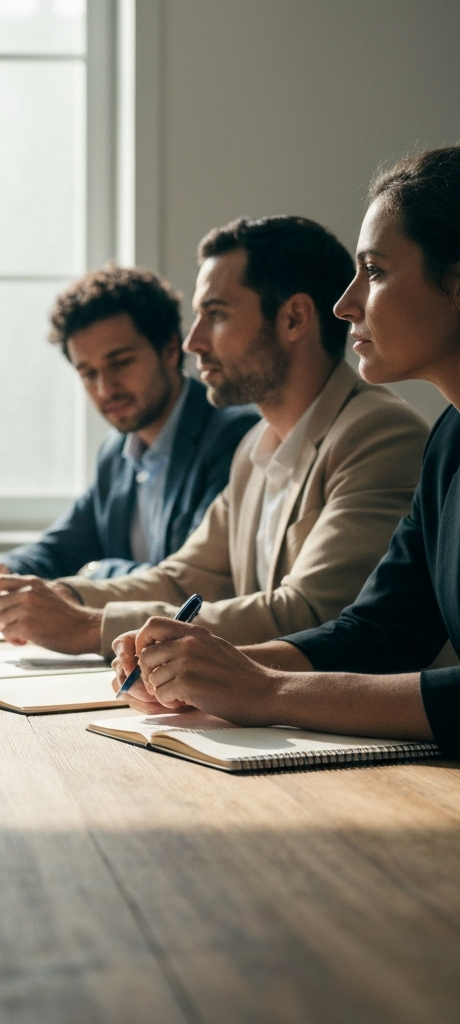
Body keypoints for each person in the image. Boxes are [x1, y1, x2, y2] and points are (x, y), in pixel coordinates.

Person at [113, 147, 460, 758]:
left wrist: (269, 691)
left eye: (375, 271)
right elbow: (376, 632)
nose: (345, 303)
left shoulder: (385, 433)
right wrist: (205, 669)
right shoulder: (449, 441)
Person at [0, 216, 428, 656]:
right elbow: (182, 578)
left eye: (215, 315)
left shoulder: (378, 434)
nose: (192, 342)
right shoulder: (255, 446)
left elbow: (313, 613)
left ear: (294, 319)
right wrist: (60, 596)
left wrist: (88, 627)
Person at [0, 265, 258, 612]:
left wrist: (94, 572)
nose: (105, 389)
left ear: (171, 350)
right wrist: (2, 570)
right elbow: (65, 545)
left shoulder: (233, 439)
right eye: (88, 373)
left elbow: (194, 581)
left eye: (121, 363)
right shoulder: (116, 452)